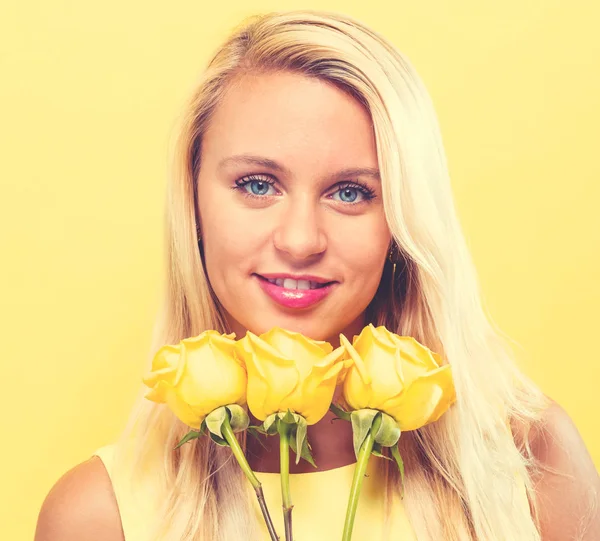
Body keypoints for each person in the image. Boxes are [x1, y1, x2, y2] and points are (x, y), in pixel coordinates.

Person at [35, 9, 600, 541]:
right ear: (193, 204)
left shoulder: (529, 460)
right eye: (257, 184)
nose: (300, 240)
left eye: (350, 192)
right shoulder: (97, 516)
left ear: (404, 219)